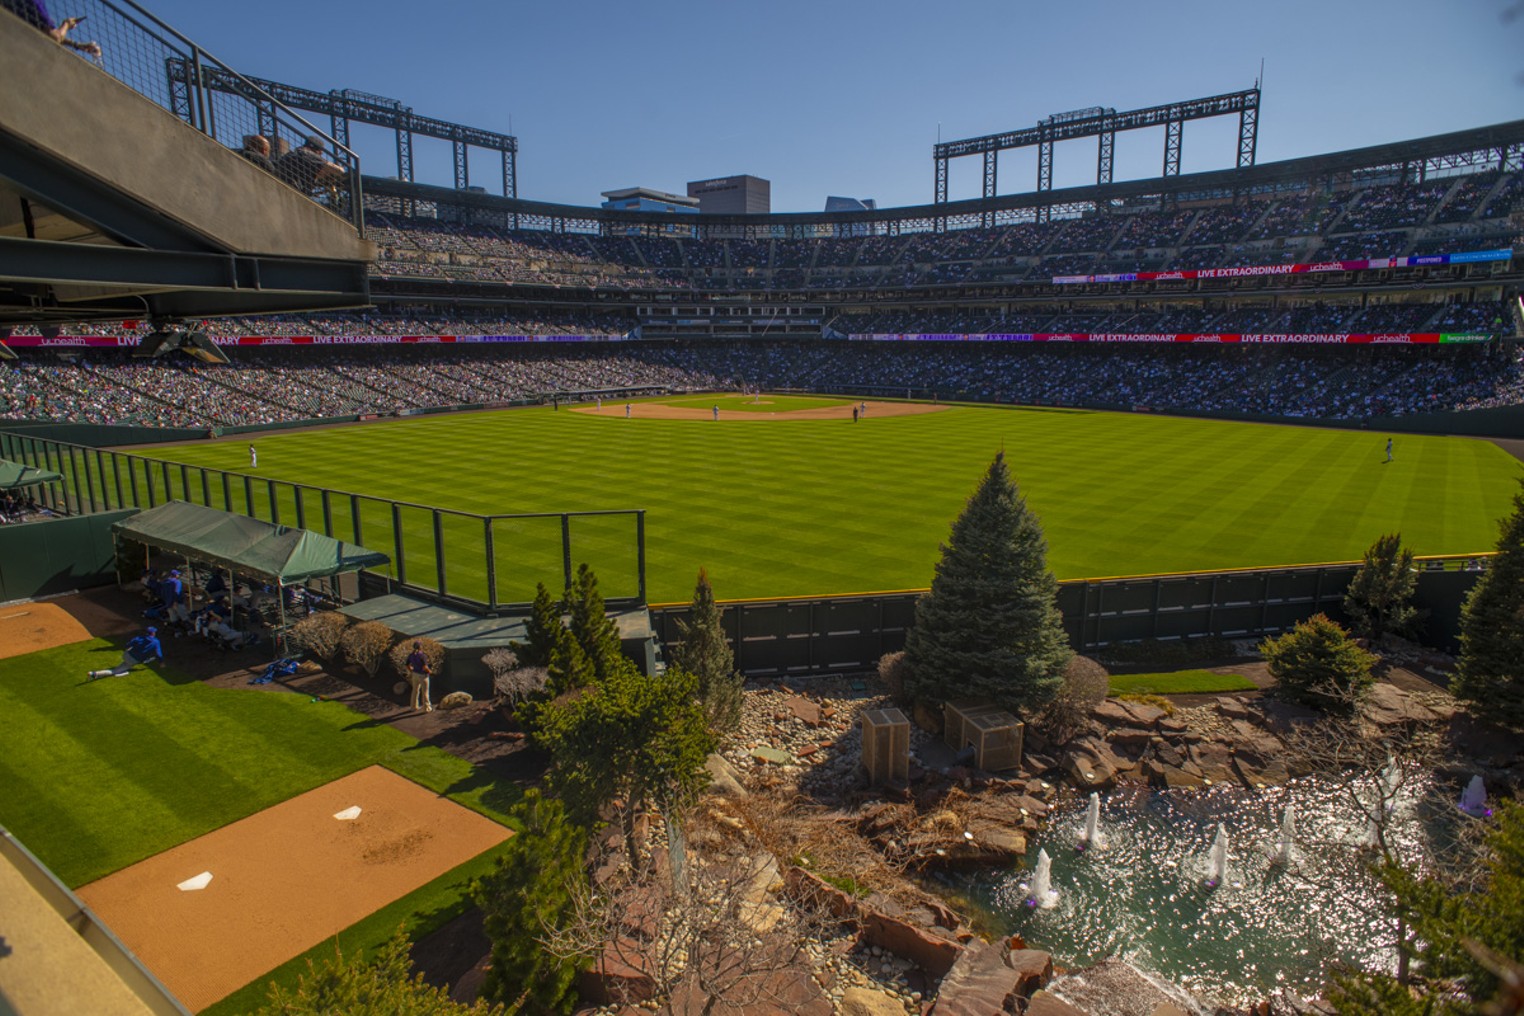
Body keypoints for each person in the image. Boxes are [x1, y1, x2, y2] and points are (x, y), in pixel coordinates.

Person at [275, 136, 344, 195]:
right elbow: (339, 170)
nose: (321, 153)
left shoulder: (295, 153)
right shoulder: (307, 154)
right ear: (315, 149)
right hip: (287, 190)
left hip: (282, 185)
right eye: (320, 150)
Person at [88, 627, 163, 679]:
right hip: (134, 660)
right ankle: (95, 674)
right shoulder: (156, 642)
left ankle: (95, 674)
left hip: (126, 655)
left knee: (128, 661)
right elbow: (159, 654)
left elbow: (128, 645)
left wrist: (129, 649)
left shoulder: (139, 638)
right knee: (115, 671)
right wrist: (161, 662)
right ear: (153, 633)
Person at [405, 641, 433, 713]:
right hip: (423, 675)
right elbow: (424, 667)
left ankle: (413, 707)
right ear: (420, 647)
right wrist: (430, 671)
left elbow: (407, 665)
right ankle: (426, 708)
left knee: (415, 690)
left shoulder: (411, 655)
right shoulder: (422, 656)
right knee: (425, 692)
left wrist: (412, 670)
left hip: (415, 674)